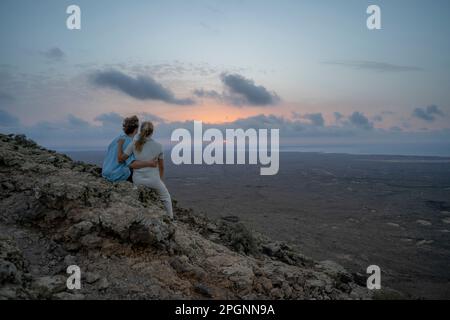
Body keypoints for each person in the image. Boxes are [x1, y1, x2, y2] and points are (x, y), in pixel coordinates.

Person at [119, 121, 174, 219]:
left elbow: (122, 158)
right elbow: (161, 167)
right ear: (152, 132)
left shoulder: (134, 144)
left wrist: (119, 146)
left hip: (138, 180)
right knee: (166, 197)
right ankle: (171, 218)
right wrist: (159, 180)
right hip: (154, 180)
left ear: (140, 131)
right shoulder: (159, 146)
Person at [102, 116, 157, 182]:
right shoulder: (129, 143)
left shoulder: (117, 138)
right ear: (136, 129)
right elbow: (132, 164)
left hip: (105, 173)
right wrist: (149, 163)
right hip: (115, 175)